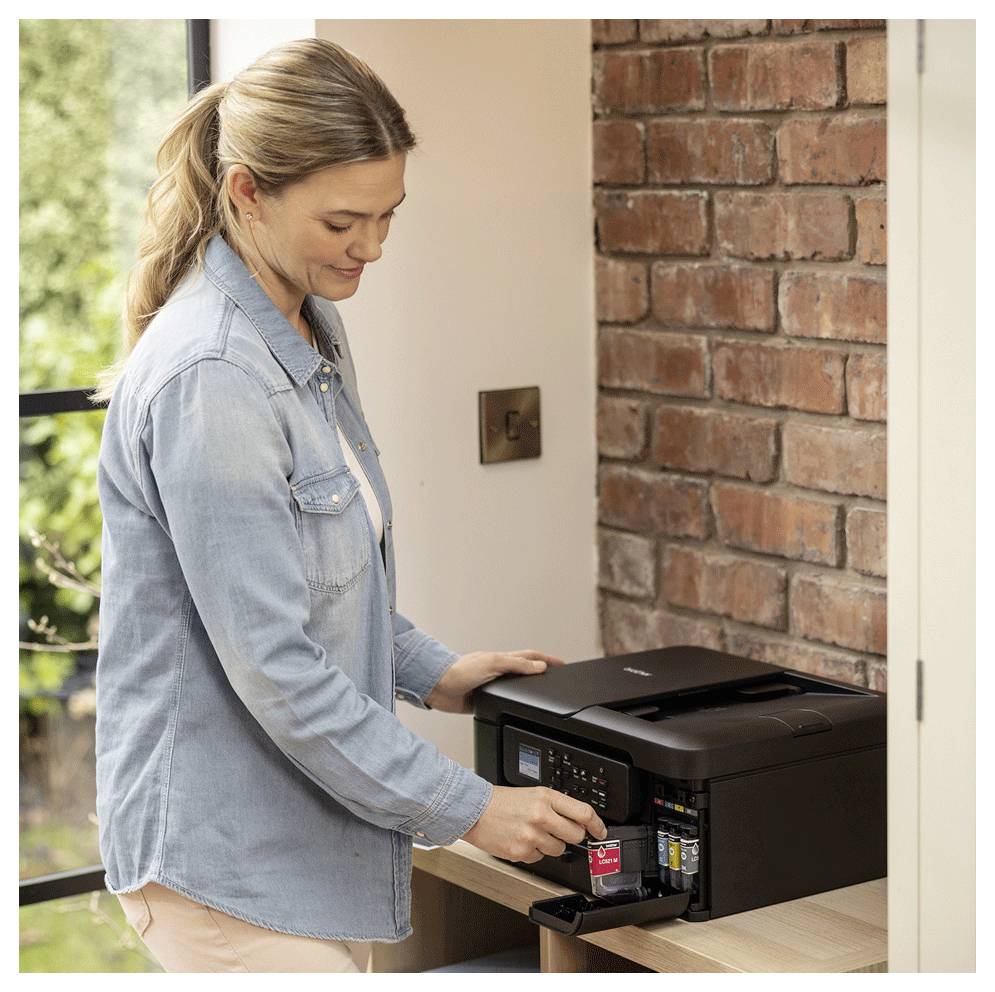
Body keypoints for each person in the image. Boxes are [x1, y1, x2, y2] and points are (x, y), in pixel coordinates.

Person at [92, 37, 606, 974]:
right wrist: (470, 807)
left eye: (386, 215)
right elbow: (276, 667)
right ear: (246, 191)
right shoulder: (215, 376)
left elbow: (322, 577)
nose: (371, 246)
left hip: (299, 840)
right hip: (223, 859)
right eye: (342, 222)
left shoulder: (307, 327)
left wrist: (436, 673)